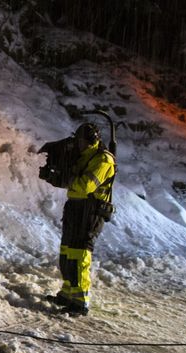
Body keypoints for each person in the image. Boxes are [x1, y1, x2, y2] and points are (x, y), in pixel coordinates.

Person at [47, 122, 116, 316]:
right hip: (75, 207)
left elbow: (85, 186)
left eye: (83, 141)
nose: (79, 145)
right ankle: (68, 293)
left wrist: (66, 179)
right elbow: (73, 182)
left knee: (80, 254)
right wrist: (56, 177)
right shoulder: (83, 157)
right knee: (67, 251)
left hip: (91, 210)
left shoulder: (103, 160)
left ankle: (80, 301)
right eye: (78, 141)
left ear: (93, 141)